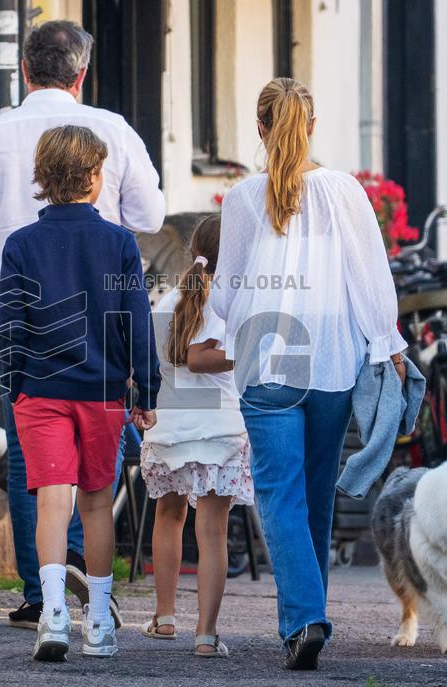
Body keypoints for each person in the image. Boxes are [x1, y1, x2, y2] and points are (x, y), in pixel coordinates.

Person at [0, 19, 165, 630]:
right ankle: (84, 582)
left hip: (15, 320)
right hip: (99, 319)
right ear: (83, 73)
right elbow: (151, 214)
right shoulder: (113, 131)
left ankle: (41, 591)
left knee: (30, 460)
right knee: (97, 472)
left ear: (24, 69)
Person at [210, 78, 407, 670]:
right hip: (332, 359)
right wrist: (387, 345)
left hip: (267, 358)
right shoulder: (346, 192)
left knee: (280, 493)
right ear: (312, 126)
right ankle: (308, 614)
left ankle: (304, 619)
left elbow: (226, 296)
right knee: (314, 496)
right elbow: (371, 278)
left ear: (260, 129)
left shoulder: (244, 198)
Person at [0, 125, 160, 661]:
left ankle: (53, 615)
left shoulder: (20, 245)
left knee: (51, 501)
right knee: (94, 504)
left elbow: (11, 326)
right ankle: (100, 623)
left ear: (42, 178)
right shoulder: (119, 243)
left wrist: (13, 387)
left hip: (39, 389)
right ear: (95, 178)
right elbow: (137, 322)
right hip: (103, 392)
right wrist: (147, 389)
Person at [138, 215, 253, 658]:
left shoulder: (167, 300)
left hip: (170, 427)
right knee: (212, 532)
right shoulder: (228, 302)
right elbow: (198, 358)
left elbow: (156, 363)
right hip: (218, 428)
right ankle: (205, 634)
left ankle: (164, 617)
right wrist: (248, 351)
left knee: (168, 517)